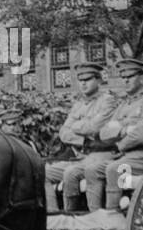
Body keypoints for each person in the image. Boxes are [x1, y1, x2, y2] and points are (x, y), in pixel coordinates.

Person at [82, 58, 143, 212]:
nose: (126, 80)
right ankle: (94, 217)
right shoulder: (122, 105)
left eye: (130, 76)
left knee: (115, 169)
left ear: (142, 78)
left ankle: (112, 217)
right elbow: (104, 133)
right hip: (124, 156)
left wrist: (119, 142)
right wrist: (124, 130)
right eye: (123, 77)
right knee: (91, 170)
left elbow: (141, 135)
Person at [45, 61, 119, 212]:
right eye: (80, 80)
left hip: (102, 155)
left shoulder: (107, 101)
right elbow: (63, 133)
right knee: (42, 173)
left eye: (88, 79)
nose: (83, 83)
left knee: (71, 173)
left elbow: (94, 127)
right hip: (81, 156)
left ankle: (86, 217)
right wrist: (84, 138)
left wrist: (77, 126)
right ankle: (56, 215)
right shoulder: (78, 104)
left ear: (99, 80)